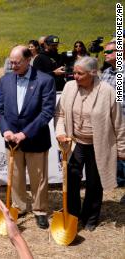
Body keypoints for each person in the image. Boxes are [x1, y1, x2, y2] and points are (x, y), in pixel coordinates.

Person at [55, 56, 125, 231]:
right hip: (75, 143)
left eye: (80, 73)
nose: (75, 76)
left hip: (99, 145)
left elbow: (119, 122)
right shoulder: (69, 87)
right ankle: (73, 215)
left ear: (93, 73)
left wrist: (122, 148)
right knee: (71, 179)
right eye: (74, 72)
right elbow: (60, 114)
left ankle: (91, 218)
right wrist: (61, 132)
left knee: (94, 183)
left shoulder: (109, 91)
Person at [0, 45, 56, 229]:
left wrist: (25, 133)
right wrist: (5, 130)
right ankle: (19, 206)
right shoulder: (5, 80)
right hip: (11, 139)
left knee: (38, 178)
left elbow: (46, 112)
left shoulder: (45, 80)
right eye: (11, 62)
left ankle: (39, 210)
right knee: (15, 177)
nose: (13, 66)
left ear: (28, 59)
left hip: (35, 139)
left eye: (17, 62)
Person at [100, 40, 125, 187]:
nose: (105, 54)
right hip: (110, 122)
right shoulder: (106, 73)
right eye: (105, 51)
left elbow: (120, 101)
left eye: (109, 51)